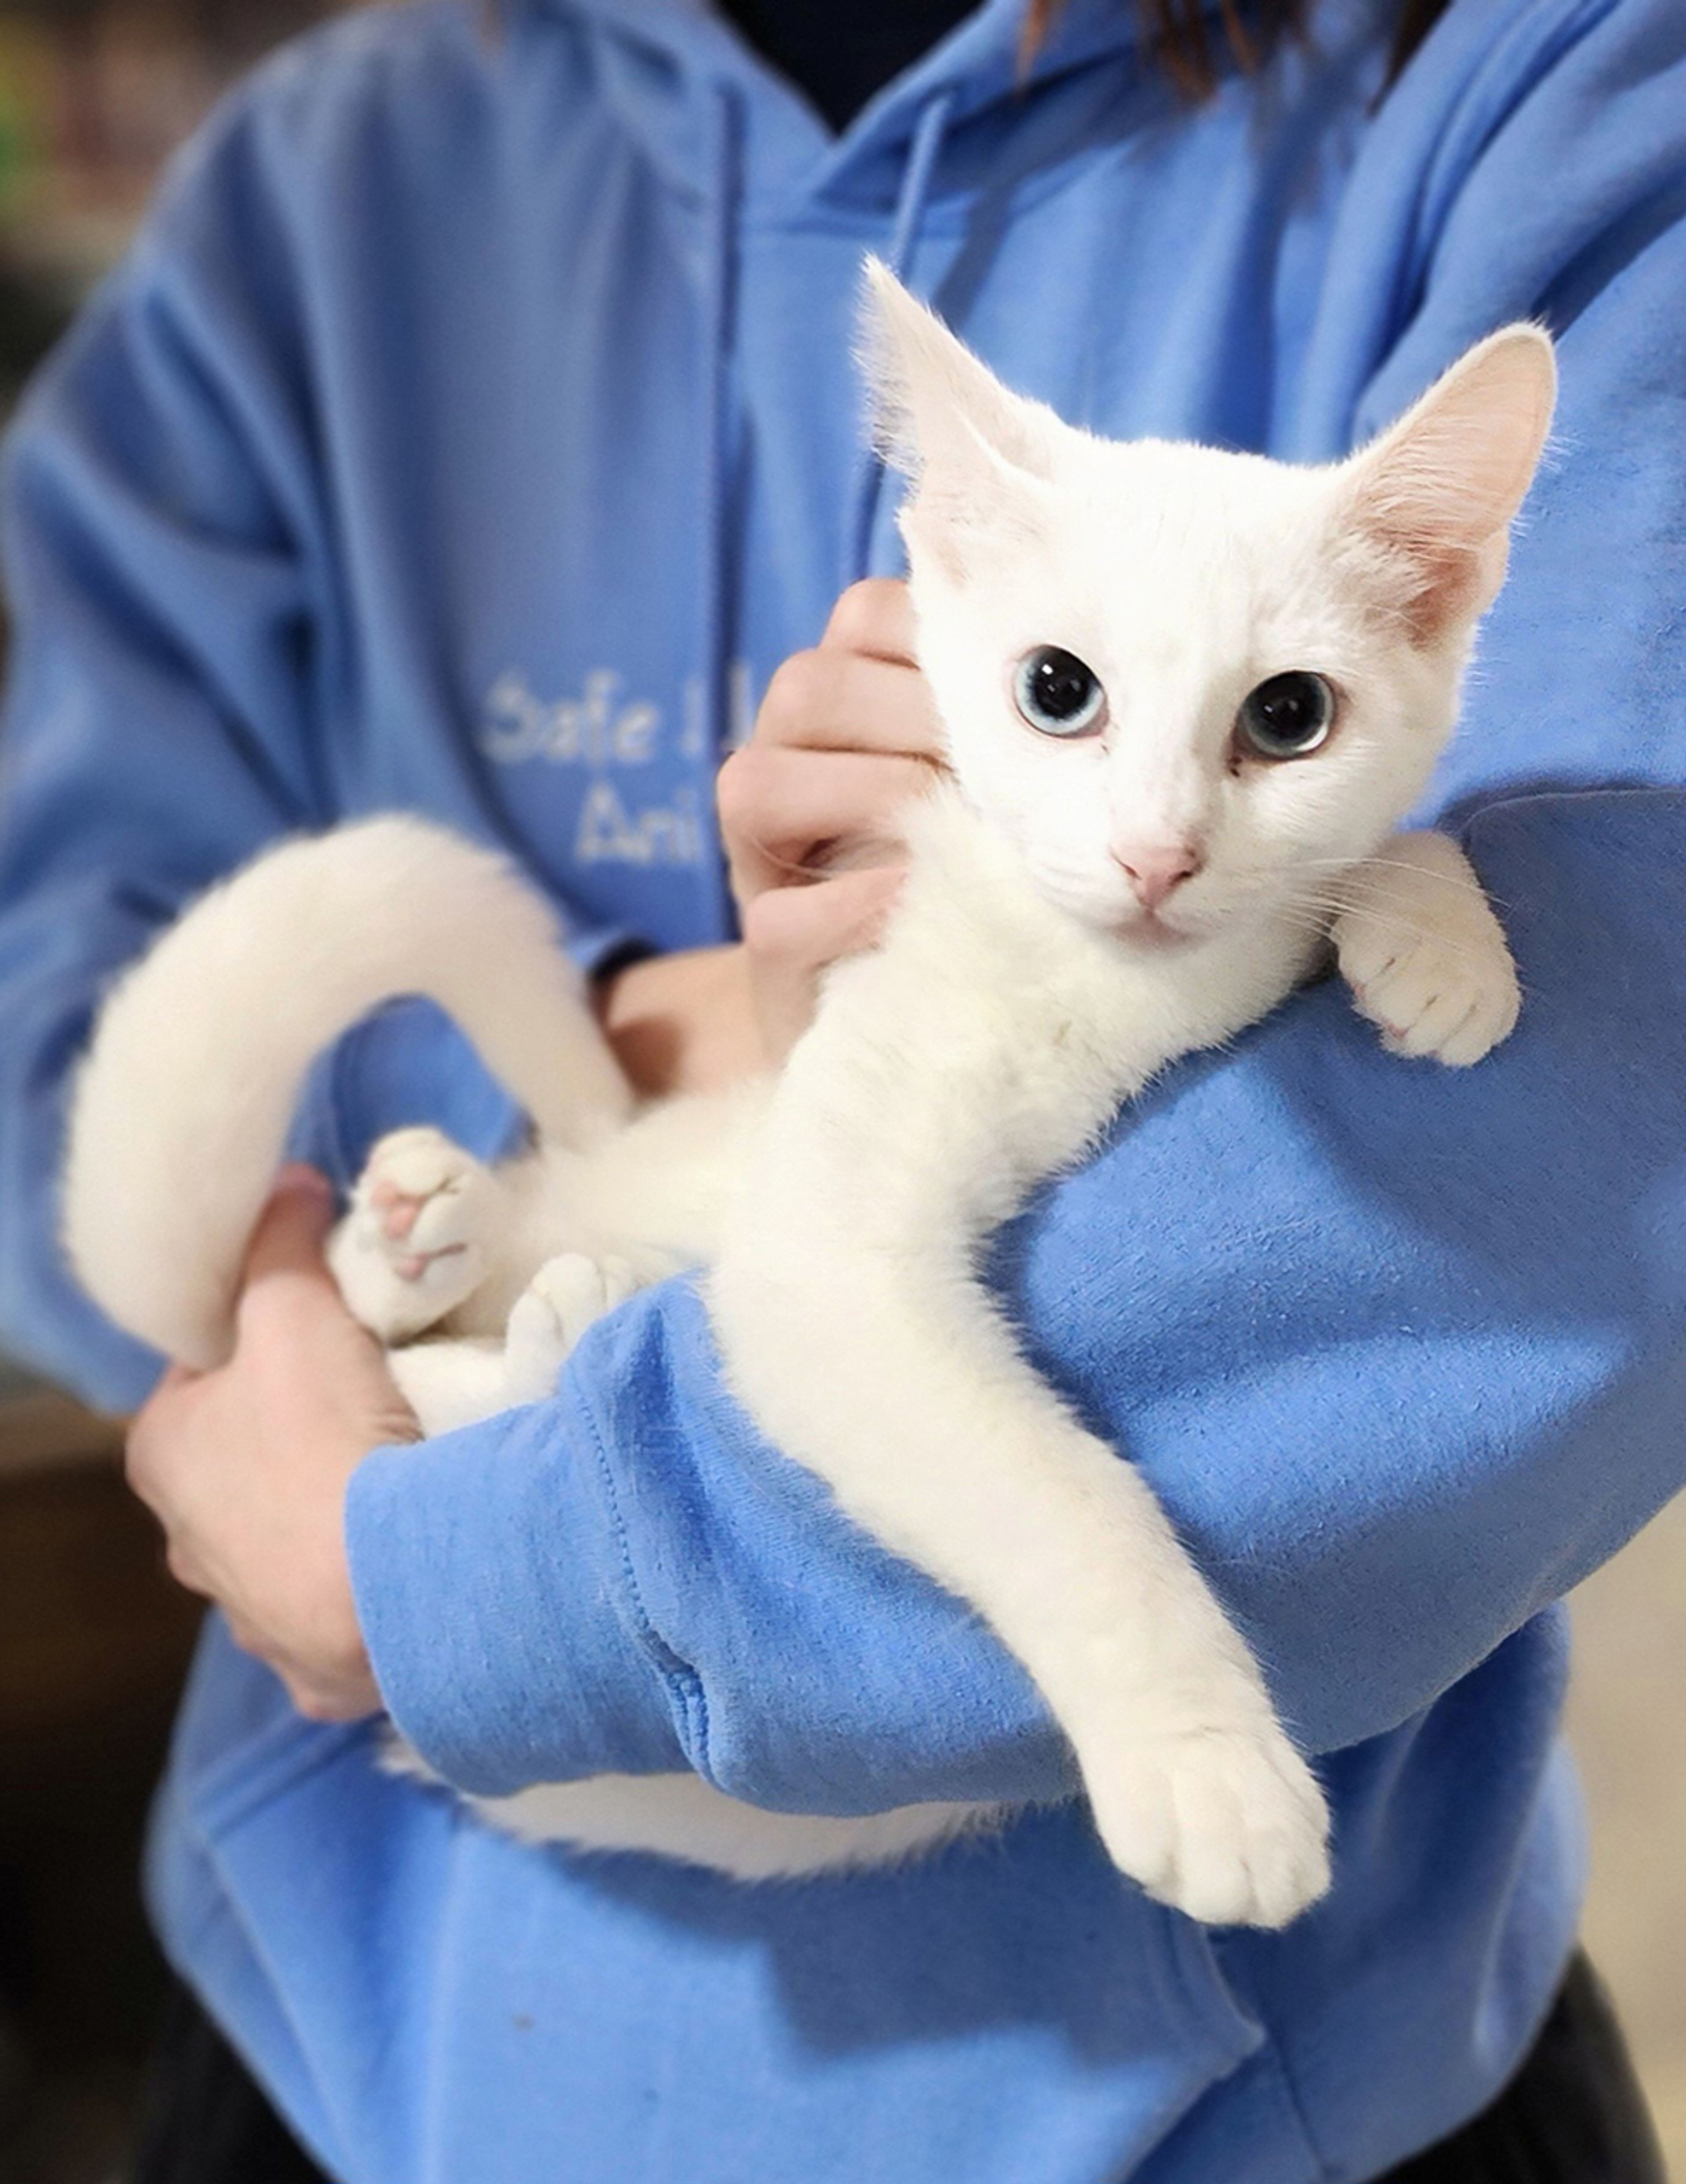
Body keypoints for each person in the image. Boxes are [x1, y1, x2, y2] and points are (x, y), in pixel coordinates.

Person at [0, 0, 1682, 2177]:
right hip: (368, 2025)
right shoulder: (332, 182)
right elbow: (54, 1022)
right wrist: (666, 1030)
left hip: (1265, 2086)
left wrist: (447, 1564)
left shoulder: (1551, 81)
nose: (1158, 839)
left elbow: (1600, 1125)